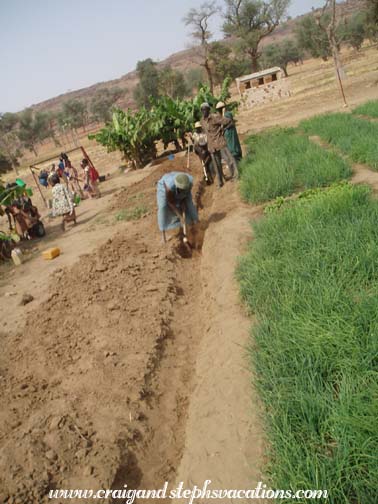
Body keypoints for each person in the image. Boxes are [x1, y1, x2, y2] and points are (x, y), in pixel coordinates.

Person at [200, 102, 237, 188]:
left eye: (206, 109)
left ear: (209, 110)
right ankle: (220, 182)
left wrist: (223, 129)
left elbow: (228, 121)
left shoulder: (214, 117)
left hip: (220, 142)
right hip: (212, 146)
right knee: (217, 165)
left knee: (229, 160)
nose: (204, 111)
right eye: (202, 110)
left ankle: (235, 176)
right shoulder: (202, 121)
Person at [157, 172, 198, 243]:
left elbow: (186, 197)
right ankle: (163, 236)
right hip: (163, 187)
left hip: (181, 184)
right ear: (178, 187)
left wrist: (183, 203)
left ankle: (196, 223)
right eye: (181, 190)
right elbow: (170, 202)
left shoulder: (189, 183)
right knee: (163, 208)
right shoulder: (169, 188)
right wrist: (180, 216)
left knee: (189, 205)